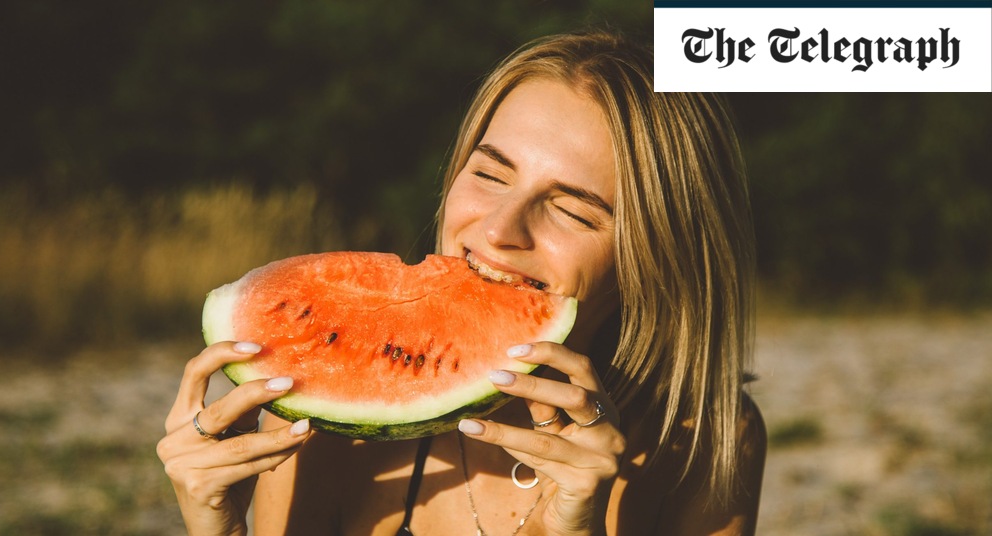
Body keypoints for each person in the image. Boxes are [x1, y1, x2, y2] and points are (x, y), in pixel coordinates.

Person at [157, 29, 766, 535]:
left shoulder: (707, 443)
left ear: (660, 254)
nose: (499, 229)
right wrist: (217, 527)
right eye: (490, 175)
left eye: (574, 210)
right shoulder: (331, 422)